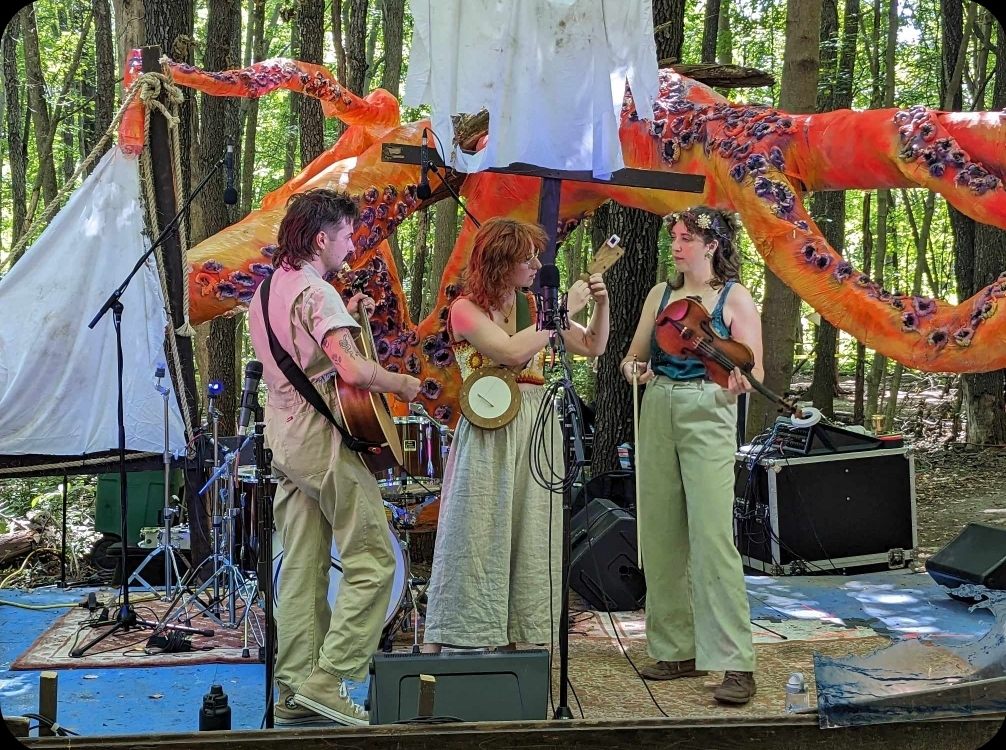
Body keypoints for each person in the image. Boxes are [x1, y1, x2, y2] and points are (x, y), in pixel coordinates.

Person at [247, 188, 421, 726]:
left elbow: (305, 354)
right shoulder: (318, 293)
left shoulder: (266, 290)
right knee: (374, 559)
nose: (351, 246)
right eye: (346, 236)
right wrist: (403, 383)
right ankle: (332, 675)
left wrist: (355, 313)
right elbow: (351, 371)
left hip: (284, 440)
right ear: (322, 237)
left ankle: (294, 689)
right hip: (323, 443)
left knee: (301, 567)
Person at [422, 217, 609, 652]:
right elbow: (508, 351)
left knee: (533, 530)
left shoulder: (534, 306)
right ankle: (464, 634)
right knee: (477, 529)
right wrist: (561, 310)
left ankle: (523, 638)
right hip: (489, 427)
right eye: (525, 257)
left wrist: (599, 304)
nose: (535, 264)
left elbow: (593, 346)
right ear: (499, 263)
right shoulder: (465, 309)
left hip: (534, 422)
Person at [620, 206, 760, 705]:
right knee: (659, 532)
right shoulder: (660, 294)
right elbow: (633, 357)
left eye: (687, 238)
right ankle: (675, 648)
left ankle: (735, 661)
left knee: (712, 535)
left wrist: (738, 380)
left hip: (710, 407)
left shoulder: (733, 296)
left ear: (712, 245)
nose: (677, 246)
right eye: (674, 237)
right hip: (658, 406)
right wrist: (634, 371)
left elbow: (749, 369)